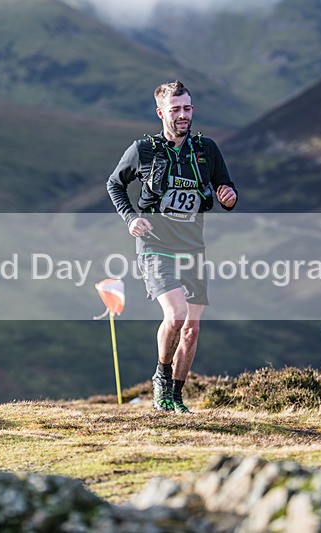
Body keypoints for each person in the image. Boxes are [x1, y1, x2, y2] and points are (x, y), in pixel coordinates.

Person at [107, 80, 238, 413]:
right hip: (156, 246)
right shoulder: (143, 150)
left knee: (192, 330)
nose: (183, 115)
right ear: (161, 112)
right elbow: (115, 183)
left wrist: (228, 196)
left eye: (188, 108)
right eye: (176, 109)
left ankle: (175, 396)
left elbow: (225, 185)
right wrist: (130, 219)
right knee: (177, 315)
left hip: (193, 248)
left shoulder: (206, 149)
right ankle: (161, 379)